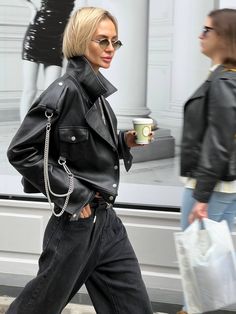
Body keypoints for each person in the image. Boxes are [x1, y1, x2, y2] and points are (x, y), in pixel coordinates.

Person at [6, 7, 154, 314]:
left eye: (115, 42)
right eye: (102, 41)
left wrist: (125, 140)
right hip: (77, 222)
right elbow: (21, 150)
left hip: (106, 223)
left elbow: (85, 144)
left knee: (133, 307)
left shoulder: (95, 94)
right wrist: (73, 194)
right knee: (36, 308)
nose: (111, 49)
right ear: (81, 40)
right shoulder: (64, 91)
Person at [178, 8, 236, 314]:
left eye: (207, 30)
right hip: (223, 187)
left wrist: (201, 195)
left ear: (224, 37)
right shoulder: (224, 78)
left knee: (197, 262)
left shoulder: (224, 81)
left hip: (209, 188)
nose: (200, 36)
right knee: (214, 264)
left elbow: (219, 141)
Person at [20, 0, 75, 121]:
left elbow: (82, 9)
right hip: (36, 34)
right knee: (30, 90)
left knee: (51, 95)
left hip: (57, 40)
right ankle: (23, 136)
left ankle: (44, 134)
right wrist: (32, 8)